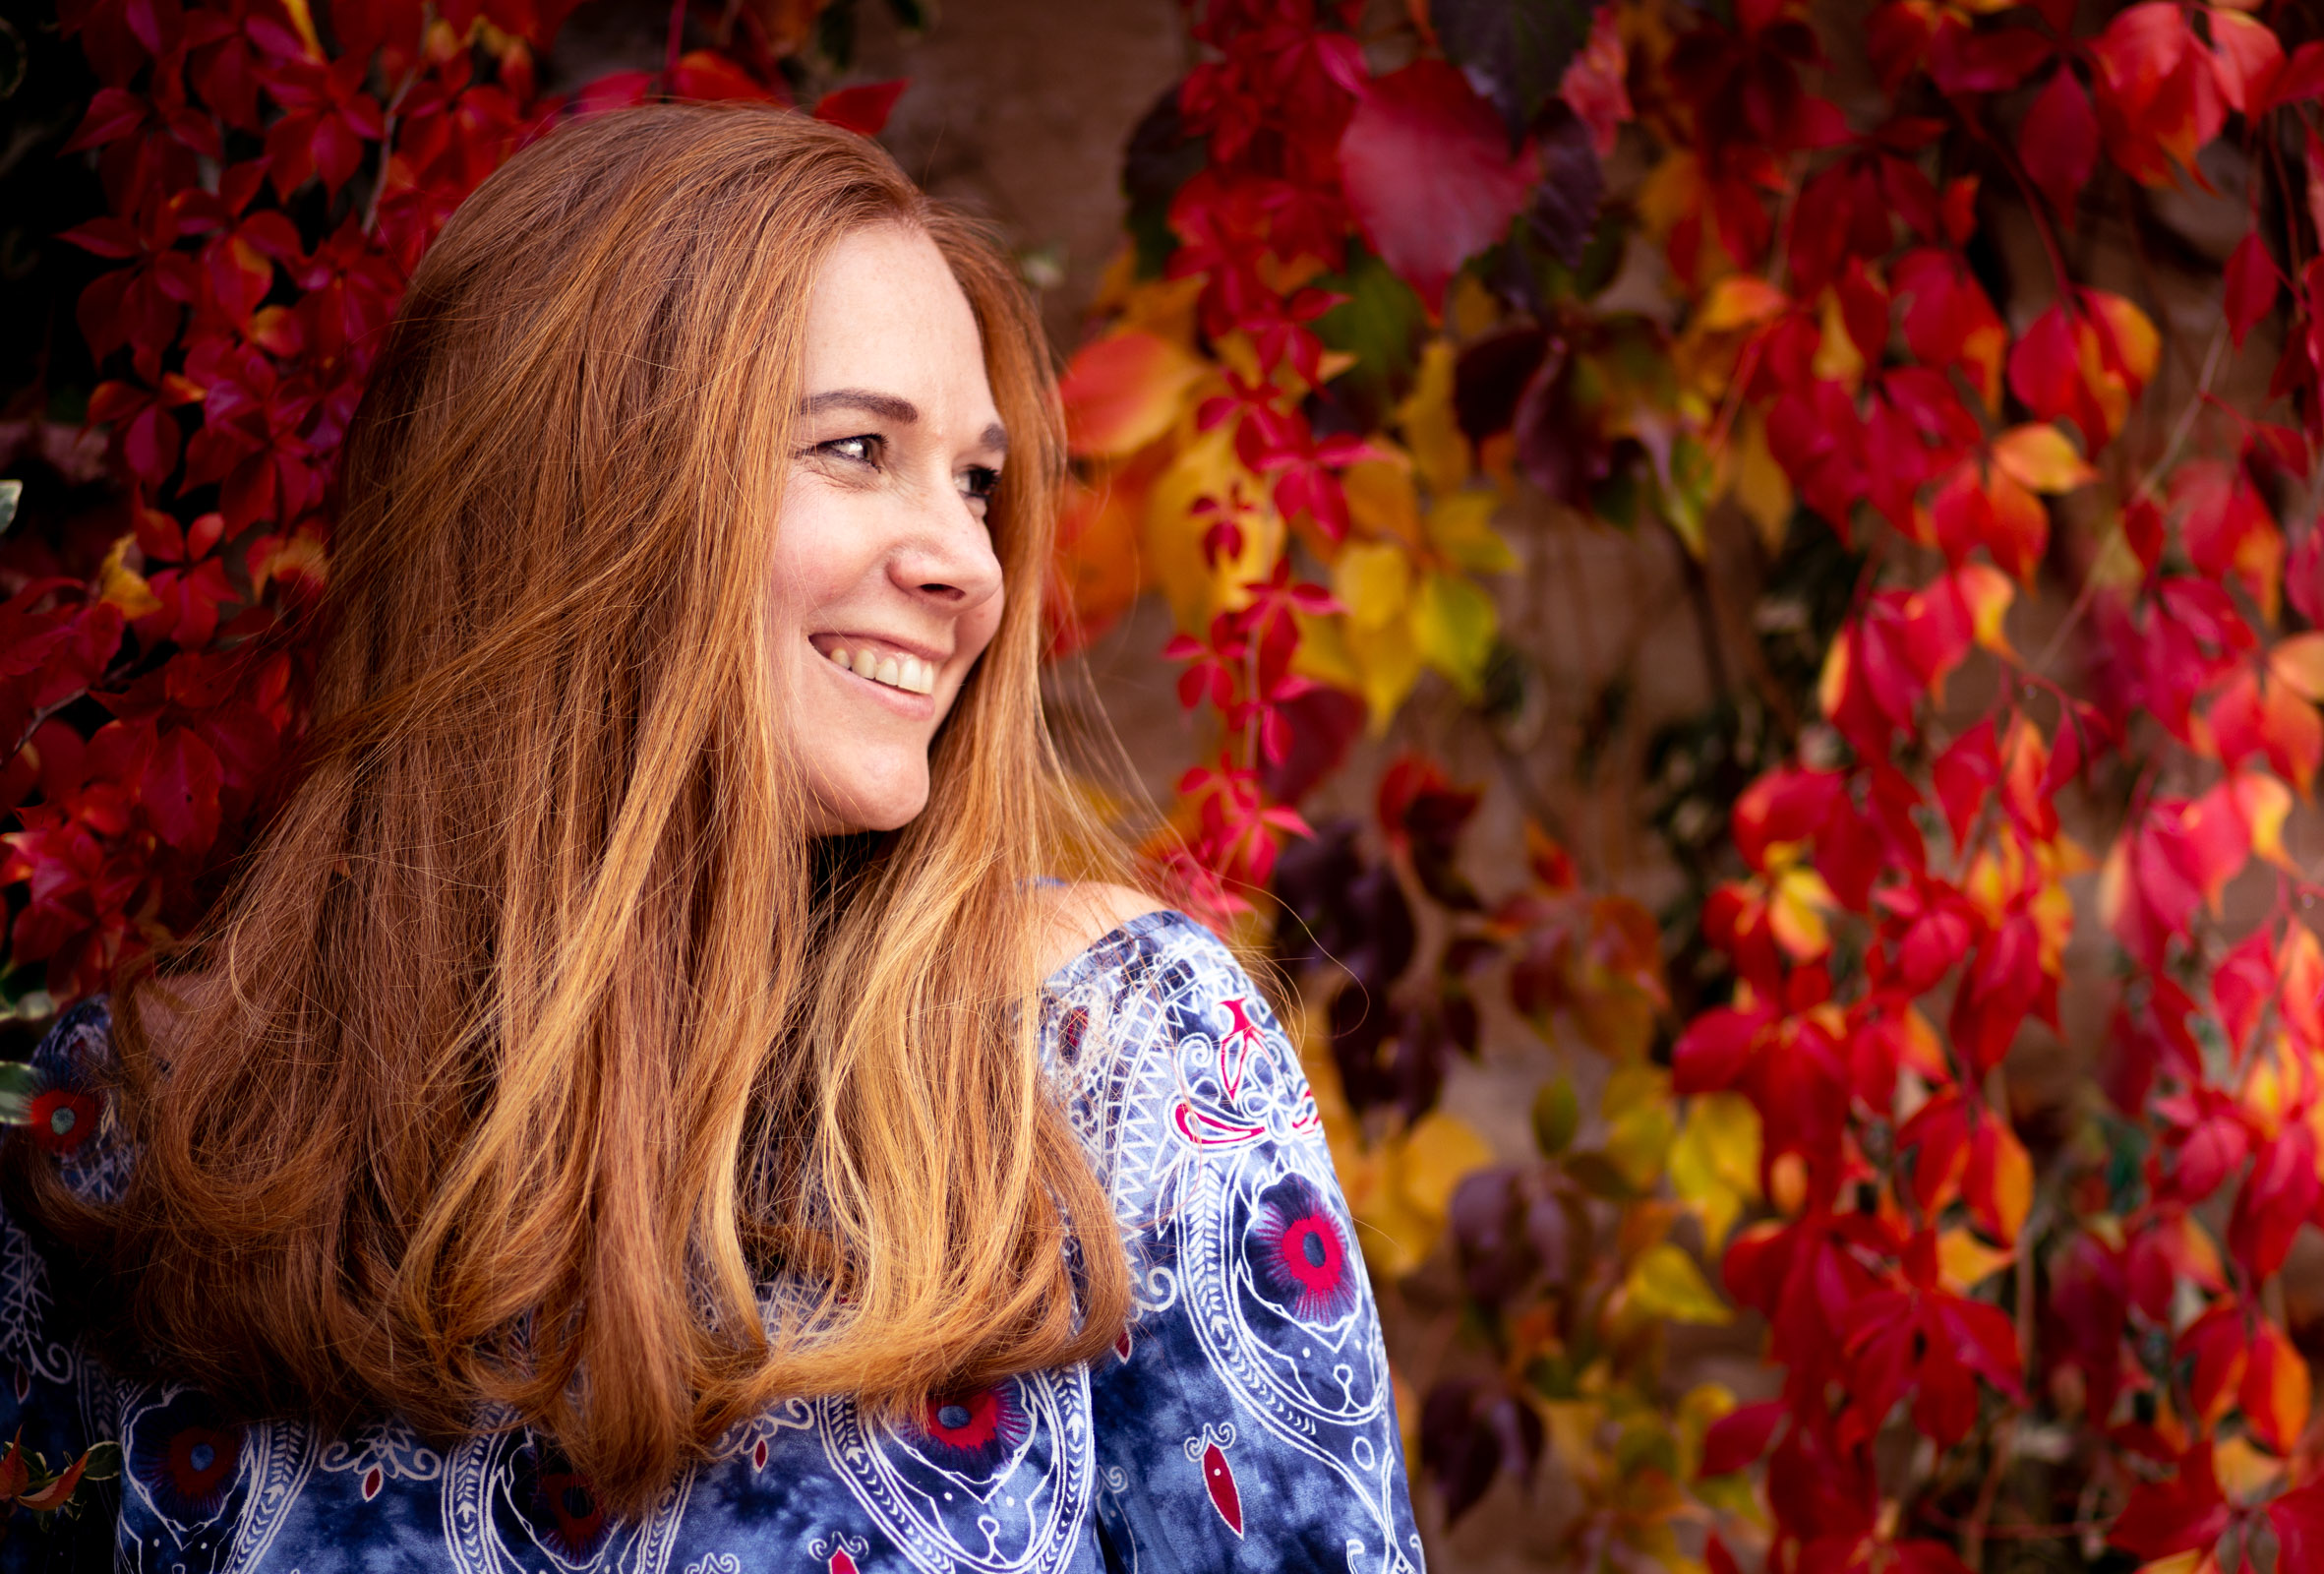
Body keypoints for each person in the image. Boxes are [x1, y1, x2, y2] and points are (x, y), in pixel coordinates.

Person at [0, 103, 1422, 1573]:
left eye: (978, 482)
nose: (969, 565)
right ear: (581, 493)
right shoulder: (146, 1132)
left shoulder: (1102, 1065)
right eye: (858, 448)